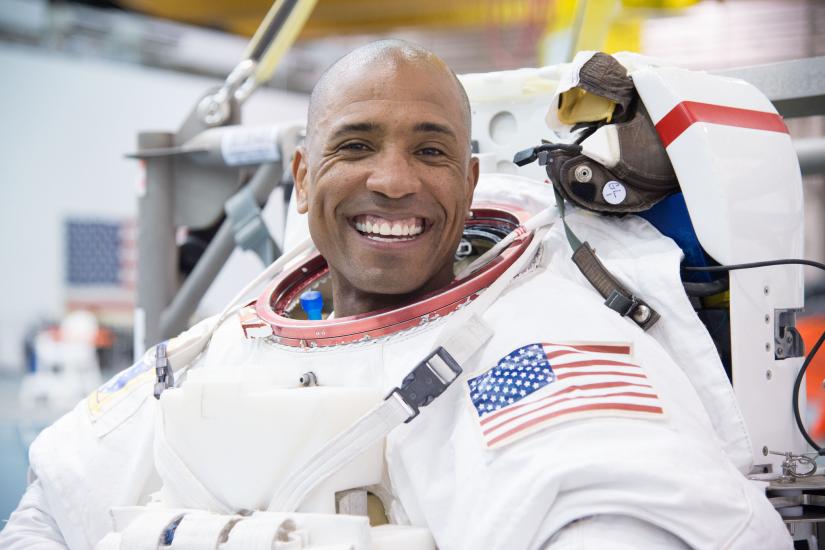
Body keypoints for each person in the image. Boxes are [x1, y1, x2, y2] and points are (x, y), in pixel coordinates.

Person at [0, 40, 792, 550]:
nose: (392, 180)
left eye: (429, 149)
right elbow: (53, 507)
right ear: (303, 176)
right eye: (355, 146)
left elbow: (641, 513)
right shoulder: (220, 351)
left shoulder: (538, 353)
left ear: (470, 180)